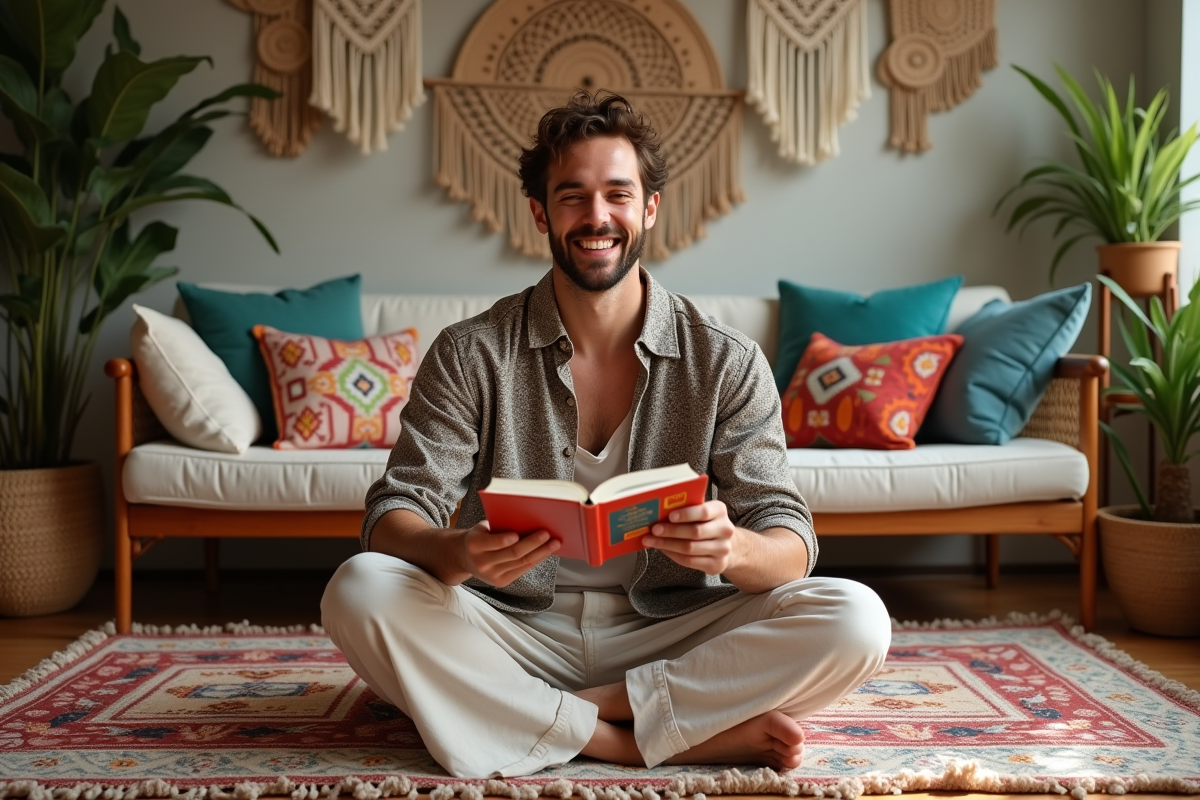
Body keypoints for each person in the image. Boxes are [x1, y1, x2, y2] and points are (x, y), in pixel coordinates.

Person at [321, 90, 891, 778]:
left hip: (670, 632)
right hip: (508, 632)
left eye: (618, 194)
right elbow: (394, 514)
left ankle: (543, 714)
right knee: (358, 589)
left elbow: (790, 542)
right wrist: (460, 551)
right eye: (573, 196)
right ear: (541, 213)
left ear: (649, 208)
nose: (597, 216)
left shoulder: (726, 360)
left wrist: (734, 547)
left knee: (857, 619)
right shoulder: (471, 352)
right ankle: (630, 737)